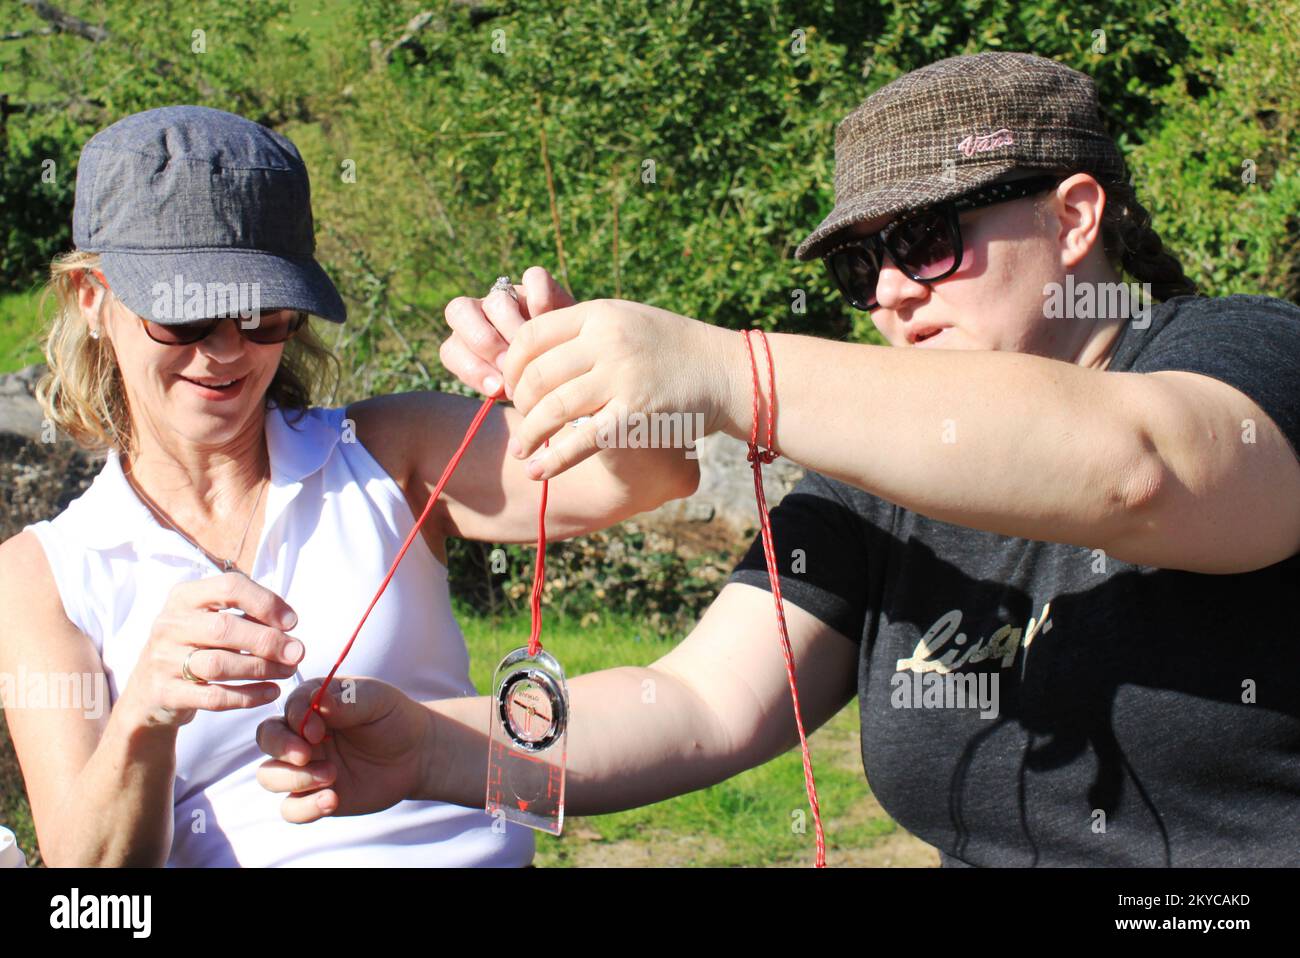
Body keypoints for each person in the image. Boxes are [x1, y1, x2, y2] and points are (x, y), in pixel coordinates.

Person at [255, 52, 1300, 866]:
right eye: (861, 262)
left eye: (928, 238)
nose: (890, 289)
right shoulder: (871, 470)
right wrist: (435, 751)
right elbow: (704, 704)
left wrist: (723, 368)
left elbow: (1145, 469)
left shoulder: (1244, 355)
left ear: (1074, 219)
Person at [0, 106, 696, 867]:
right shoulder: (41, 576)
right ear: (92, 299)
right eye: (186, 315)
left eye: (264, 313)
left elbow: (657, 475)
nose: (227, 351)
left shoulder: (388, 451)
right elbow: (90, 885)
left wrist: (577, 372)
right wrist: (145, 714)